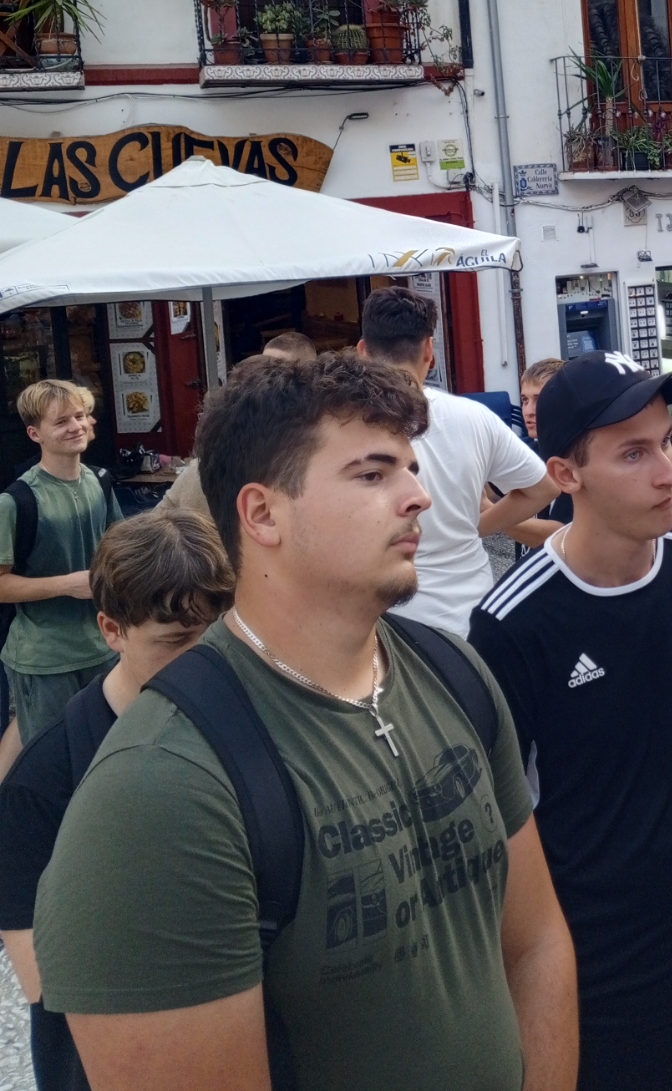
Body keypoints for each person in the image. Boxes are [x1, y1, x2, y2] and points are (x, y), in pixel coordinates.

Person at [33, 349, 578, 1091]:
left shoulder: (454, 671)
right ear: (262, 513)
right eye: (373, 474)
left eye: (411, 469)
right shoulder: (160, 788)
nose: (419, 496)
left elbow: (534, 942)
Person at [470, 350, 672, 1091]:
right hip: (598, 988)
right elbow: (499, 835)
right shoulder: (512, 624)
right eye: (633, 453)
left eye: (667, 442)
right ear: (566, 474)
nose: (669, 473)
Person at [0, 507, 235, 1091]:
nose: (204, 660)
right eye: (176, 641)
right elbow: (49, 986)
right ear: (112, 629)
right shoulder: (42, 786)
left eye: (215, 635)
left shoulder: (241, 723)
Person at [358, 287, 558, 634]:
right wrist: (475, 527)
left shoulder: (345, 427)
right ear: (429, 350)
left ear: (362, 351)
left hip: (390, 617)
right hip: (470, 610)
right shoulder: (473, 417)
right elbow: (543, 488)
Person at [0, 380, 124, 780]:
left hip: (103, 646)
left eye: (80, 416)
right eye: (61, 421)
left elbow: (120, 549)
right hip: (45, 657)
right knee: (51, 765)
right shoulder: (16, 501)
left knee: (104, 753)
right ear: (34, 433)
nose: (76, 426)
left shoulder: (100, 481)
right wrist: (66, 584)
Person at [163, 331, 317, 517]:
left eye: (281, 372)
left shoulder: (312, 455)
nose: (266, 375)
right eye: (265, 366)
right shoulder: (201, 473)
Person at [520, 359, 572, 528]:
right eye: (525, 400)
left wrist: (493, 514)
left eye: (539, 400)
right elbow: (490, 487)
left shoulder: (578, 459)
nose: (529, 411)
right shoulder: (529, 452)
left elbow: (559, 533)